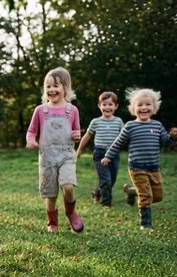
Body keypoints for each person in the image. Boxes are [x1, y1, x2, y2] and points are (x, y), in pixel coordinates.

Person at [101, 88, 177, 230]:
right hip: (136, 167)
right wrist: (108, 156)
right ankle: (146, 224)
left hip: (153, 168)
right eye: (140, 105)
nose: (144, 107)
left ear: (154, 107)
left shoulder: (157, 125)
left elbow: (165, 141)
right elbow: (118, 143)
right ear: (133, 108)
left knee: (157, 196)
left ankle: (132, 191)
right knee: (146, 196)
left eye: (147, 104)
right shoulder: (130, 126)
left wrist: (173, 137)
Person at [26, 67, 84, 233]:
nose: (51, 89)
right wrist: (31, 140)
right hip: (47, 158)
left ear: (65, 87)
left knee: (68, 186)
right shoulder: (40, 110)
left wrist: (76, 136)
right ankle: (52, 222)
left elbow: (77, 132)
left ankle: (71, 212)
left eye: (56, 86)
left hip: (66, 156)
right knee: (50, 195)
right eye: (48, 86)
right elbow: (31, 131)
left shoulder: (72, 110)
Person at [76, 91, 124, 207]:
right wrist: (79, 150)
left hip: (113, 154)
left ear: (116, 106)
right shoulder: (95, 122)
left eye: (110, 104)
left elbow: (124, 136)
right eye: (104, 104)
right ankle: (106, 204)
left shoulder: (118, 121)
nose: (107, 107)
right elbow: (87, 136)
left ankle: (96, 193)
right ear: (99, 106)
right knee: (105, 180)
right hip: (100, 153)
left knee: (110, 180)